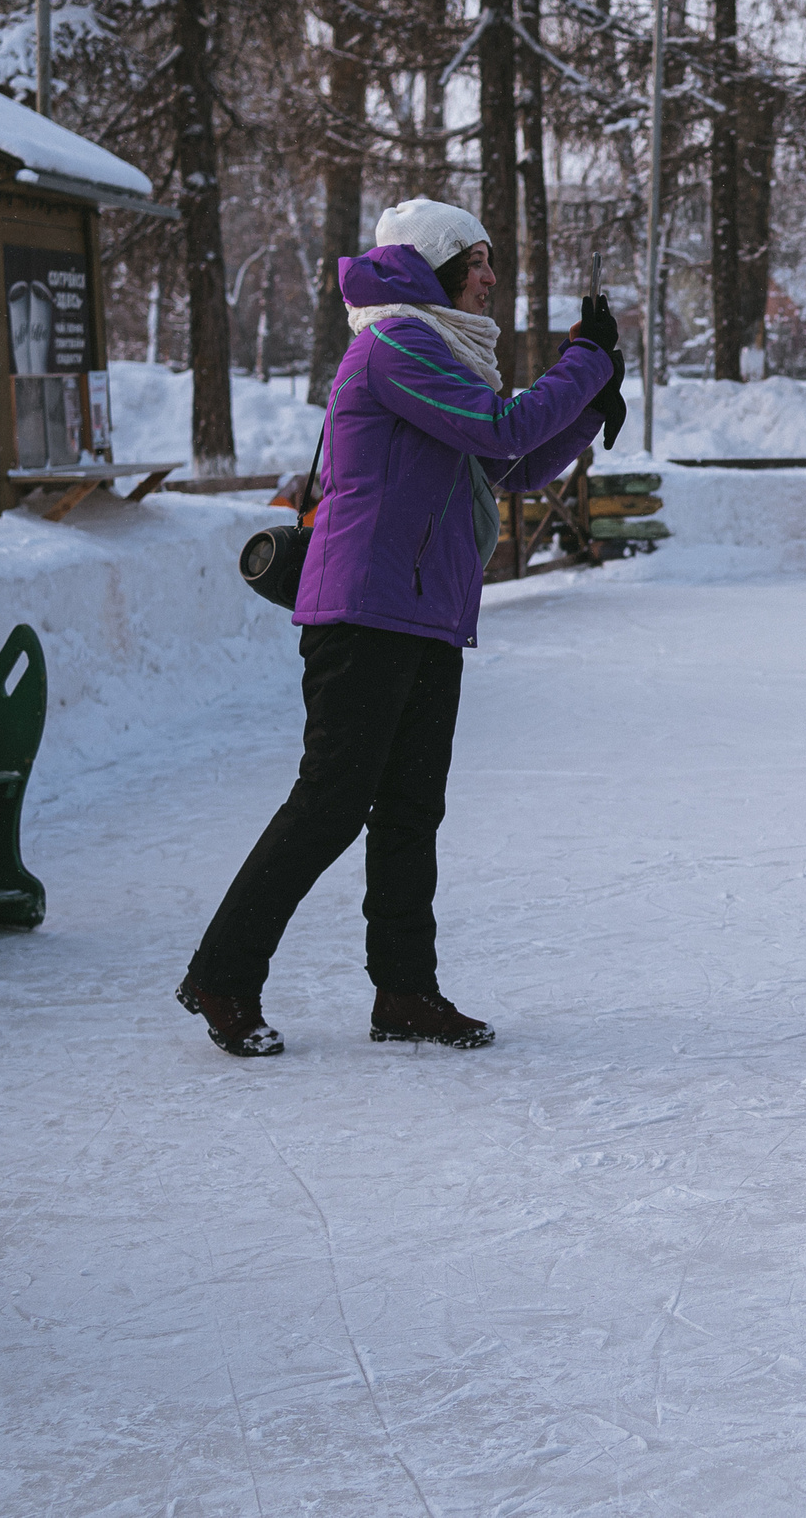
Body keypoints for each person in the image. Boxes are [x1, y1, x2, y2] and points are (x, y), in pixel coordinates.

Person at [177, 198, 624, 1058]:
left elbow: (508, 460)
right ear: (434, 266)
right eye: (478, 260)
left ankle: (405, 992)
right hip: (365, 612)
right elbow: (500, 424)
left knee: (411, 807)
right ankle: (221, 974)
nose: (492, 275)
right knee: (331, 803)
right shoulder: (397, 344)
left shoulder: (440, 349)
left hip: (424, 613)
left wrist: (588, 407)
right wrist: (584, 364)